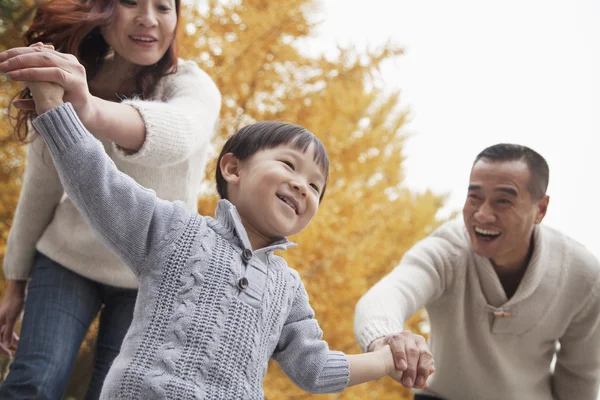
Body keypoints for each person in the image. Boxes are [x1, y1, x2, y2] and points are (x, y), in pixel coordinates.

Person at [17, 71, 424, 397]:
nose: (303, 185)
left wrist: (387, 362)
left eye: (316, 186)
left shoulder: (288, 289)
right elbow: (100, 185)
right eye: (289, 164)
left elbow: (314, 368)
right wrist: (54, 107)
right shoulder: (177, 230)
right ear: (233, 169)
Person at [0, 0, 221, 398]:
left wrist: (85, 108)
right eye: (131, 2)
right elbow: (42, 186)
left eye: (164, 7)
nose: (149, 19)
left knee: (112, 393)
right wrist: (15, 280)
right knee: (32, 382)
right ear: (103, 13)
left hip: (151, 279)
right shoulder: (69, 79)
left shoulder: (192, 86)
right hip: (67, 260)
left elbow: (178, 135)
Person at [354, 143, 600, 400]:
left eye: (503, 201)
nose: (482, 215)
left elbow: (580, 375)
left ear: (540, 209)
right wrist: (385, 338)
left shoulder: (581, 274)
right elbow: (391, 292)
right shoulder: (447, 250)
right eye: (475, 197)